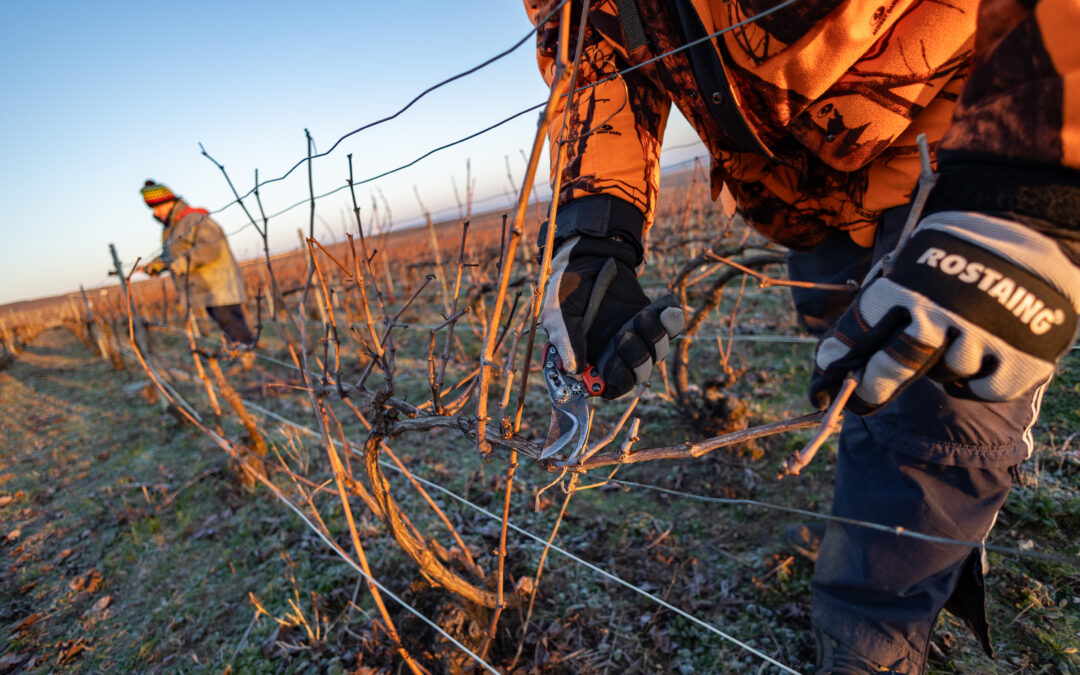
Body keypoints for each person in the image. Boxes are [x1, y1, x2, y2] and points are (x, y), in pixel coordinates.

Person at [525, 0, 1079, 672]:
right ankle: (882, 558)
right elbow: (595, 43)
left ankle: (871, 640)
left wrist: (1038, 175)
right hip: (804, 199)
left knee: (937, 424)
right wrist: (596, 230)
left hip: (964, 140)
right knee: (859, 382)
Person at [139, 180, 256, 347]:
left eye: (159, 207)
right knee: (227, 324)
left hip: (218, 285)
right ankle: (242, 353)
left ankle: (247, 356)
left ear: (171, 202)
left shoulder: (193, 218)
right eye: (153, 209)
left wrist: (180, 265)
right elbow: (171, 255)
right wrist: (157, 265)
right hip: (206, 288)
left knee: (232, 324)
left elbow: (210, 249)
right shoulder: (174, 228)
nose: (156, 213)